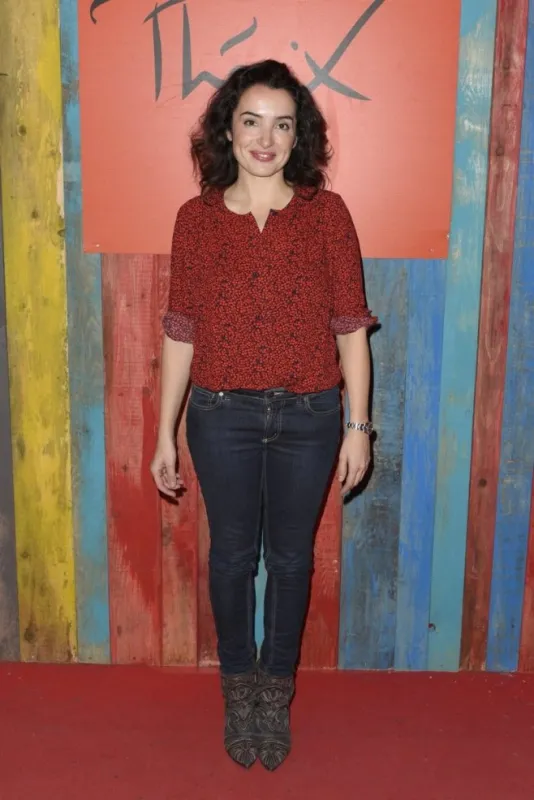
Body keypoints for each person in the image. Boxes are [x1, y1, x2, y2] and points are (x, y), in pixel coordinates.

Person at [150, 59, 377, 771]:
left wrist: (358, 427)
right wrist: (163, 430)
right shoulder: (196, 220)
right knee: (230, 557)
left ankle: (274, 692)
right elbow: (181, 329)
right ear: (228, 128)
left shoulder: (327, 214)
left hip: (311, 417)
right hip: (220, 417)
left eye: (283, 124)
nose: (266, 138)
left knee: (290, 559)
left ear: (298, 135)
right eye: (252, 120)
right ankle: (236, 687)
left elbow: (350, 329)